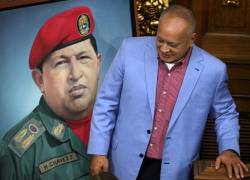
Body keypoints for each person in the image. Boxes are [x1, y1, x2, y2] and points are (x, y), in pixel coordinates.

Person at [88, 5, 249, 180]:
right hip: (124, 162)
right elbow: (106, 102)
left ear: (191, 39)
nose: (164, 48)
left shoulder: (213, 70)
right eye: (160, 40)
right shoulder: (129, 50)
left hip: (175, 169)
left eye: (172, 44)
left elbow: (225, 114)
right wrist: (99, 150)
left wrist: (228, 149)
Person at [0, 6, 101, 180]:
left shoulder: (127, 122)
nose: (76, 74)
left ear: (98, 64)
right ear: (40, 80)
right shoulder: (16, 153)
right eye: (61, 63)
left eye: (83, 58)